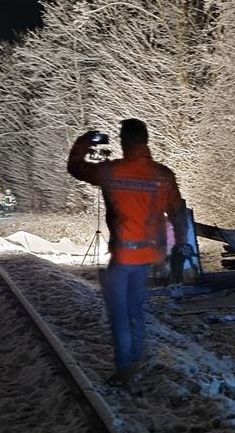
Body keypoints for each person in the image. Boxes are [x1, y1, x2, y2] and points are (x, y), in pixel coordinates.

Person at [67, 118, 186, 385]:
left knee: (119, 313)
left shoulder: (112, 172)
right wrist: (178, 248)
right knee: (135, 309)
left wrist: (87, 141)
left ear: (122, 142)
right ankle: (137, 358)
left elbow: (75, 168)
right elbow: (178, 215)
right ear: (146, 140)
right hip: (149, 257)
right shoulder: (163, 175)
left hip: (122, 257)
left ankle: (125, 369)